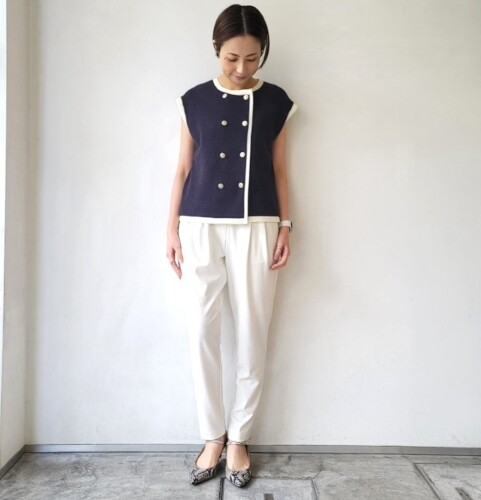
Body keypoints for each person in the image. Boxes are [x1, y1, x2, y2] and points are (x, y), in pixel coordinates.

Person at [166, 4, 297, 488]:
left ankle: (239, 437)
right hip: (199, 225)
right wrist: (170, 229)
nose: (242, 68)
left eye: (252, 58)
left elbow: (279, 168)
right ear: (216, 50)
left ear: (263, 53)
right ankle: (211, 435)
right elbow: (183, 168)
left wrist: (286, 226)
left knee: (252, 332)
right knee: (202, 330)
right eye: (231, 58)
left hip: (257, 224)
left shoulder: (277, 102)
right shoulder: (193, 101)